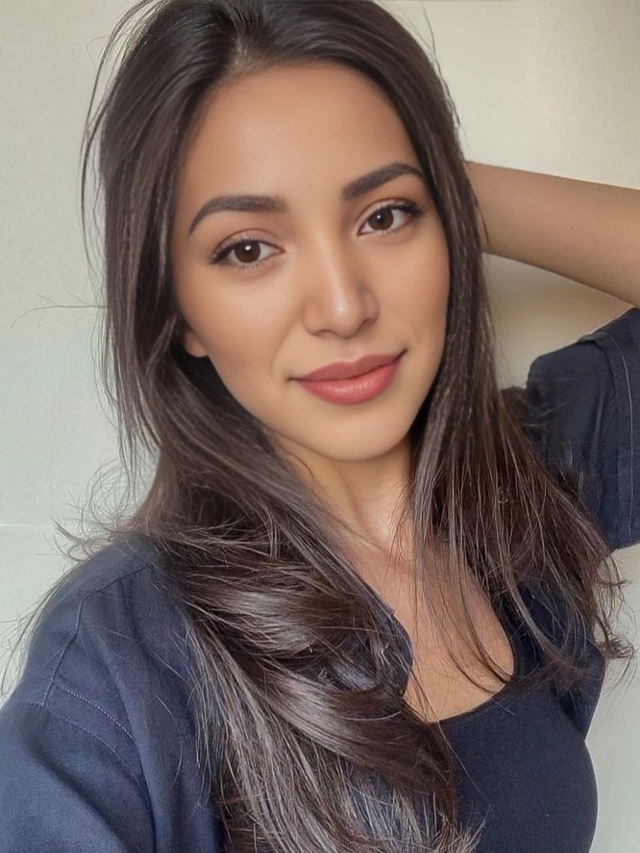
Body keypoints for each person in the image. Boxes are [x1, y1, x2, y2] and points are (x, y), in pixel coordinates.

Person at [0, 0, 639, 850]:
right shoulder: (120, 656)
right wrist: (384, 187)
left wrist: (434, 179)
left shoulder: (526, 486)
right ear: (179, 309)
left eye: (385, 217)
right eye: (247, 248)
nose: (342, 306)